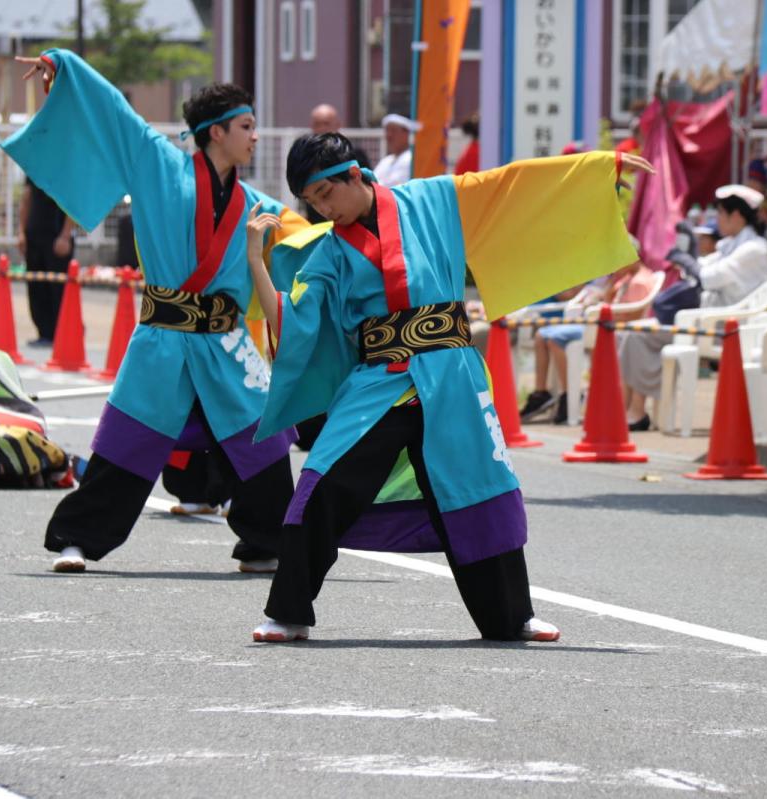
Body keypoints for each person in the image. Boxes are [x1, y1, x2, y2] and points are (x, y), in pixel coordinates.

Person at [243, 132, 652, 643]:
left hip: (452, 376)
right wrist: (257, 261)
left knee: (481, 489)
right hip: (380, 383)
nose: (324, 209)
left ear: (355, 174)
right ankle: (288, 611)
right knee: (321, 482)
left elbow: (508, 186)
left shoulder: (430, 199)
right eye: (313, 202)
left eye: (327, 193)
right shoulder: (328, 251)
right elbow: (294, 320)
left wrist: (595, 171)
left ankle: (511, 616)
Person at [4, 50, 309, 575]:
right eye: (246, 126)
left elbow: (309, 247)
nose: (255, 137)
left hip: (225, 346)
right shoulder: (157, 165)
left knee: (263, 445)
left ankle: (265, 544)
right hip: (163, 341)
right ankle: (77, 537)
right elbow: (114, 112)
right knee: (126, 446)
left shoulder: (258, 205)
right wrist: (65, 66)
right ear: (215, 132)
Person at [622, 185, 767, 431]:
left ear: (737, 216)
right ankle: (628, 408)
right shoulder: (730, 245)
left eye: (721, 214)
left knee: (639, 336)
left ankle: (636, 411)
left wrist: (687, 258)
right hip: (706, 321)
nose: (717, 220)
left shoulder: (754, 248)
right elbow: (700, 267)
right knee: (630, 332)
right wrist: (688, 256)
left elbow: (709, 276)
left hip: (726, 328)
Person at [520, 259, 657, 425]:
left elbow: (629, 314)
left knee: (554, 339)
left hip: (605, 327)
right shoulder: (624, 279)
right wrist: (609, 286)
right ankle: (545, 393)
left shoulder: (638, 282)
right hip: (596, 323)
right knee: (542, 336)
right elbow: (608, 302)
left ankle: (570, 396)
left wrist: (600, 307)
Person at [18, 178, 75, 345]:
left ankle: (63, 332)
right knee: (36, 287)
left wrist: (65, 235)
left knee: (58, 289)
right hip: (34, 235)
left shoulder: (65, 168)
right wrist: (21, 231)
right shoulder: (33, 166)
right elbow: (26, 198)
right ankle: (44, 333)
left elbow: (72, 205)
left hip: (56, 237)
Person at [373, 113, 419, 187]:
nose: (389, 136)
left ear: (406, 134)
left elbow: (392, 186)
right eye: (387, 131)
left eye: (393, 131)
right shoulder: (386, 161)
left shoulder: (411, 158)